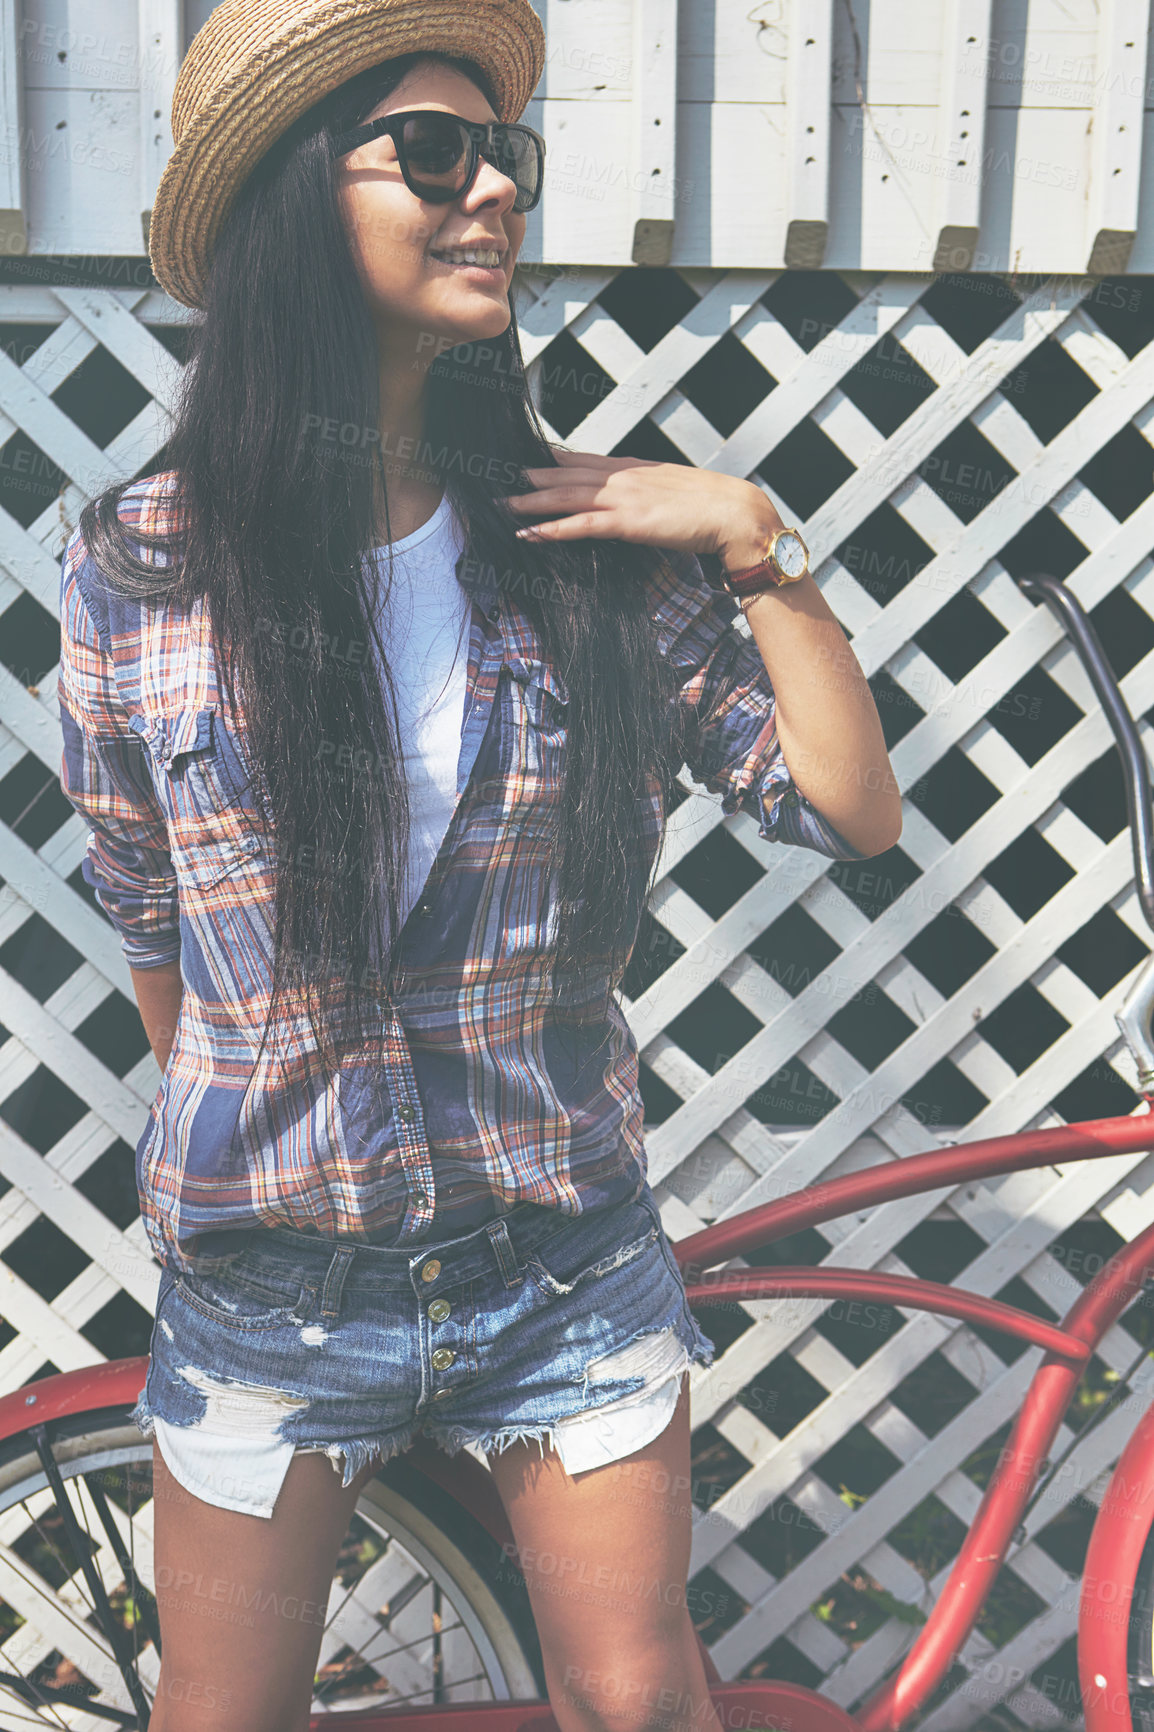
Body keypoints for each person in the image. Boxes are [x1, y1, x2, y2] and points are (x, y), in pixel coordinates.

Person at [55, 1, 901, 1727]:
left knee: (639, 1705)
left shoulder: (579, 550)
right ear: (292, 206)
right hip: (271, 1289)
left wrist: (756, 541)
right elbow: (150, 918)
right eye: (430, 156)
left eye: (500, 156)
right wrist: (268, 1128)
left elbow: (840, 808)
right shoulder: (146, 565)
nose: (492, 194)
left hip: (560, 1262)